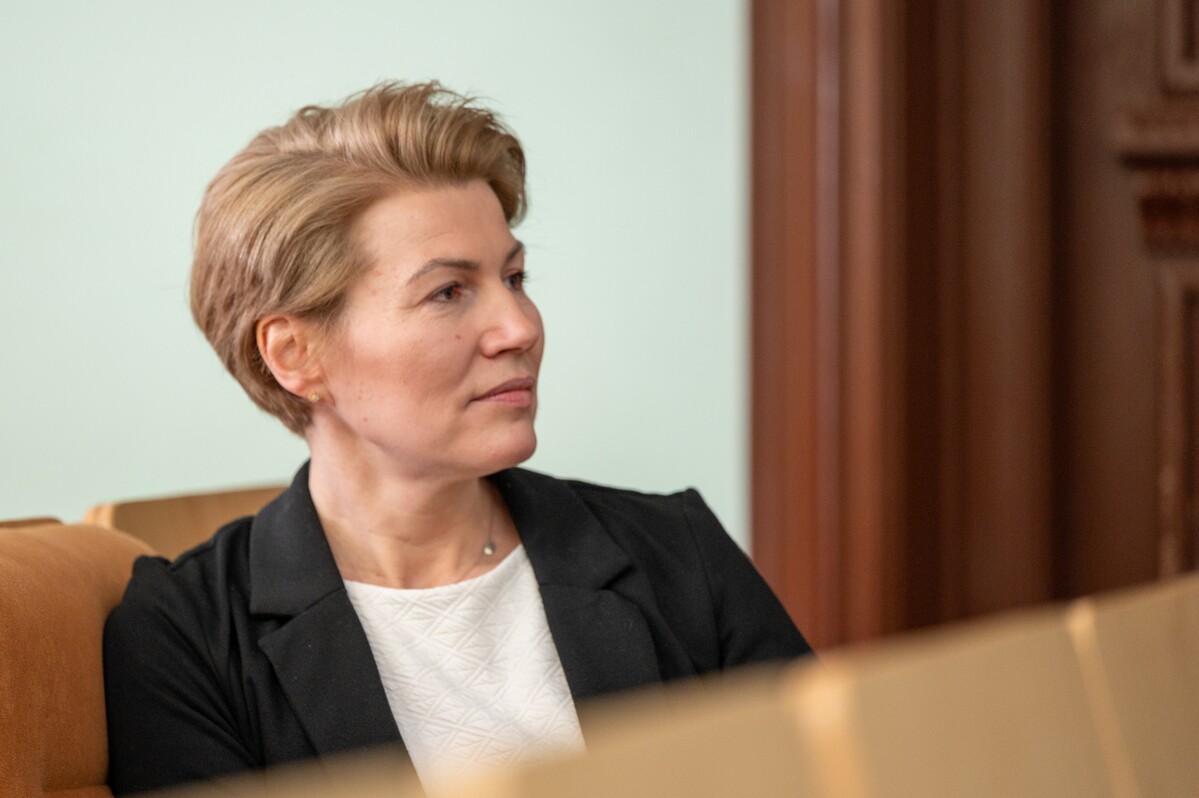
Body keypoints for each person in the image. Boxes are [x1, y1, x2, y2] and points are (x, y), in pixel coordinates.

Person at [102, 81, 812, 795]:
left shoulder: (678, 552)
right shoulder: (186, 637)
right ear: (296, 355)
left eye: (515, 277)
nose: (520, 328)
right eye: (448, 291)